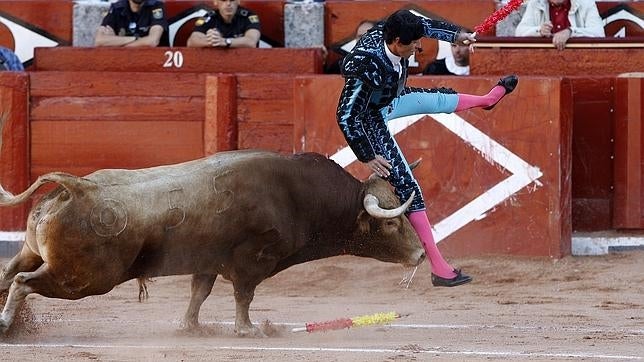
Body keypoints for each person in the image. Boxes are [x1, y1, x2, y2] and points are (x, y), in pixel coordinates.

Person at [336, 10, 519, 287]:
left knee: (437, 99)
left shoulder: (394, 29)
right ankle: (440, 268)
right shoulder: (365, 64)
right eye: (413, 44)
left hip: (391, 98)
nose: (419, 47)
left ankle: (486, 100)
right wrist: (367, 155)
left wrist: (459, 35)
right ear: (397, 42)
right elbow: (347, 116)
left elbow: (427, 26)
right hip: (369, 118)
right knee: (411, 190)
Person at [515, 0, 605, 50]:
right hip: (543, 60)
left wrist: (570, 32)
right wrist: (539, 30)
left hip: (579, 60)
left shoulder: (586, 3)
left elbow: (599, 33)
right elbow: (519, 32)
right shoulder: (536, 3)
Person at [186, 0, 261, 48]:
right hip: (217, 64)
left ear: (238, 1)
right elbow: (191, 41)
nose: (228, 4)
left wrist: (225, 41)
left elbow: (251, 42)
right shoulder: (209, 17)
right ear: (215, 2)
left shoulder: (249, 16)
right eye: (223, 0)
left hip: (246, 62)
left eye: (232, 0)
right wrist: (212, 41)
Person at [94, 0, 169, 47]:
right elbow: (99, 41)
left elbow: (153, 41)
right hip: (124, 63)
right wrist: (136, 39)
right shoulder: (117, 8)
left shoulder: (155, 6)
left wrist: (118, 45)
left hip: (153, 62)